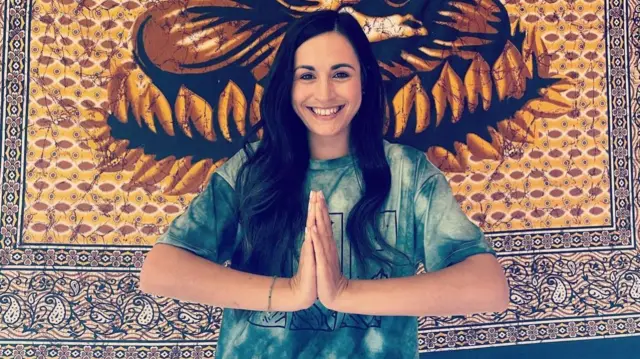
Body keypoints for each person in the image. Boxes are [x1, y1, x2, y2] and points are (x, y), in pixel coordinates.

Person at [140, 10, 509, 359]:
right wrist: (290, 293)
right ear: (288, 85)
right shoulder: (249, 171)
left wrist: (344, 293)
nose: (324, 94)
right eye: (307, 76)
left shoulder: (408, 174)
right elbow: (160, 271)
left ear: (364, 79)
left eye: (340, 74)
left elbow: (488, 288)